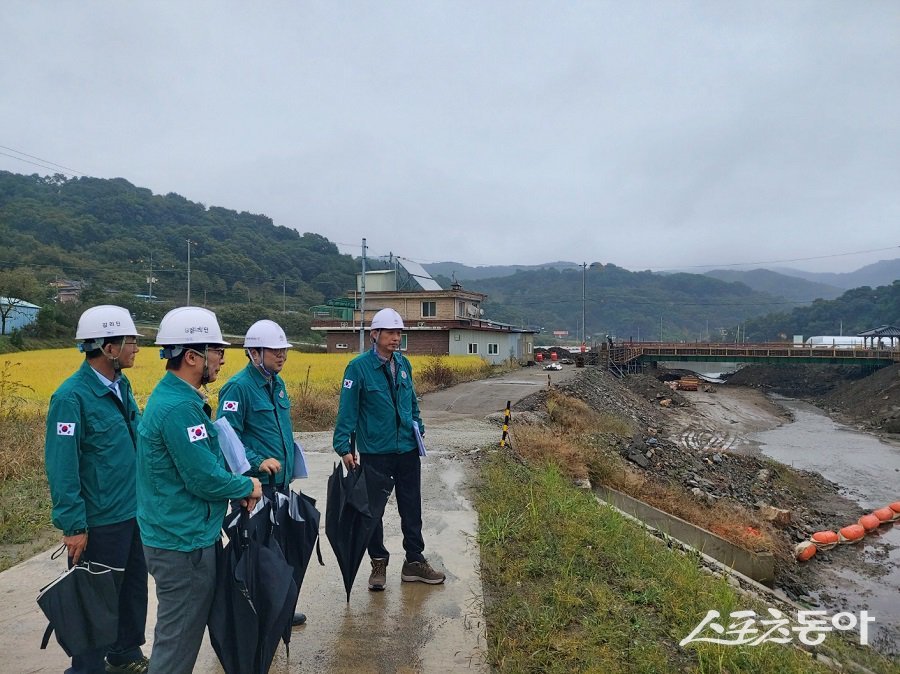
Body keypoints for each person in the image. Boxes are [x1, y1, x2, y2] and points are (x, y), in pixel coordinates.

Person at [136, 307, 261, 674]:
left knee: (178, 635)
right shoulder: (179, 409)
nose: (222, 359)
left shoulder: (181, 401)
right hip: (181, 543)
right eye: (216, 351)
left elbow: (199, 466)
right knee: (177, 643)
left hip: (182, 534)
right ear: (192, 356)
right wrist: (246, 485)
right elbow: (202, 478)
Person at [44, 305, 150, 674]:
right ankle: (86, 668)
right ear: (108, 348)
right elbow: (62, 466)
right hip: (100, 519)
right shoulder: (70, 398)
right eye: (130, 340)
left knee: (133, 588)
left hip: (133, 511)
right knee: (96, 599)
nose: (136, 346)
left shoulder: (122, 385)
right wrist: (73, 526)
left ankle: (125, 653)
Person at [333, 307, 445, 591]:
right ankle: (379, 562)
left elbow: (412, 403)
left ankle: (414, 561)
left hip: (407, 449)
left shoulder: (403, 364)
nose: (396, 338)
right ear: (375, 335)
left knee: (411, 507)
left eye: (399, 333)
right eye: (391, 333)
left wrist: (417, 425)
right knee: (373, 511)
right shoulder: (357, 369)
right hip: (376, 452)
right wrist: (343, 446)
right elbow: (347, 410)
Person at [216, 318, 306, 626]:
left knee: (275, 548)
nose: (282, 356)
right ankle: (247, 612)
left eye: (284, 350)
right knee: (251, 548)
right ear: (255, 353)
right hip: (254, 485)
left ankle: (274, 606)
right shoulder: (237, 388)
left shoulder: (277, 385)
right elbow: (227, 439)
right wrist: (257, 461)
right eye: (275, 350)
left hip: (278, 484)